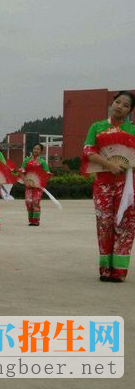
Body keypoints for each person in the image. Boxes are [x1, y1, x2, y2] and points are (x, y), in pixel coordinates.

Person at [83, 91, 135, 282]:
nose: (120, 106)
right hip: (103, 184)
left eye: (126, 105)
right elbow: (88, 150)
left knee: (125, 225)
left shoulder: (133, 129)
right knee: (104, 223)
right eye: (118, 101)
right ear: (112, 103)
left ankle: (119, 270)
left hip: (128, 185)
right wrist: (109, 165)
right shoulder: (97, 127)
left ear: (130, 111)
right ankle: (105, 268)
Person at [21, 144, 50, 226]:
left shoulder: (42, 162)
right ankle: (31, 219)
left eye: (38, 149)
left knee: (35, 201)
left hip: (38, 187)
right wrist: (26, 182)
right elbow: (21, 172)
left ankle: (36, 221)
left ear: (41, 151)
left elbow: (47, 174)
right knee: (28, 201)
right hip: (28, 185)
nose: (35, 150)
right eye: (34, 148)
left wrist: (40, 183)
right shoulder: (26, 160)